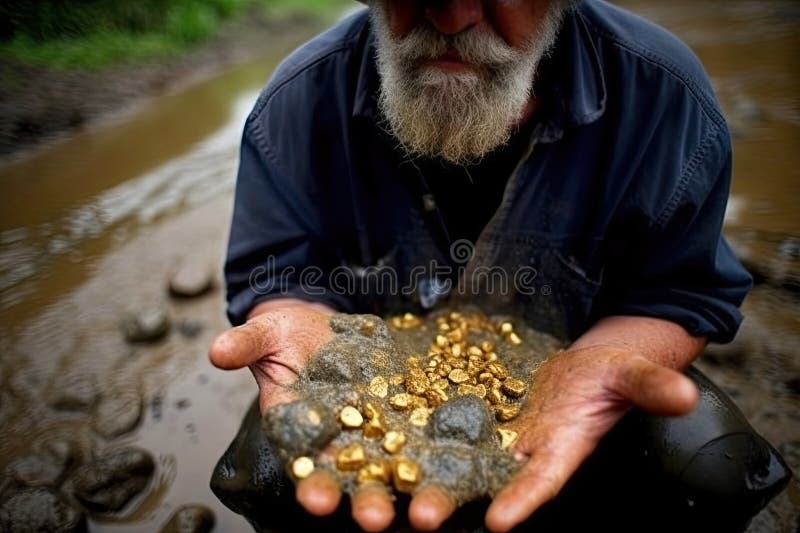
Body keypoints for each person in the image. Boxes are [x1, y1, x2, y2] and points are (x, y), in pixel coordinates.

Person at [208, 1, 790, 532]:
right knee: (263, 467)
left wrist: (612, 358)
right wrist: (287, 315)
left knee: (713, 463)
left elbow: (680, 293)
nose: (454, 17)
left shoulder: (666, 98)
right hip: (370, 382)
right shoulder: (295, 102)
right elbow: (279, 275)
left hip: (580, 381)